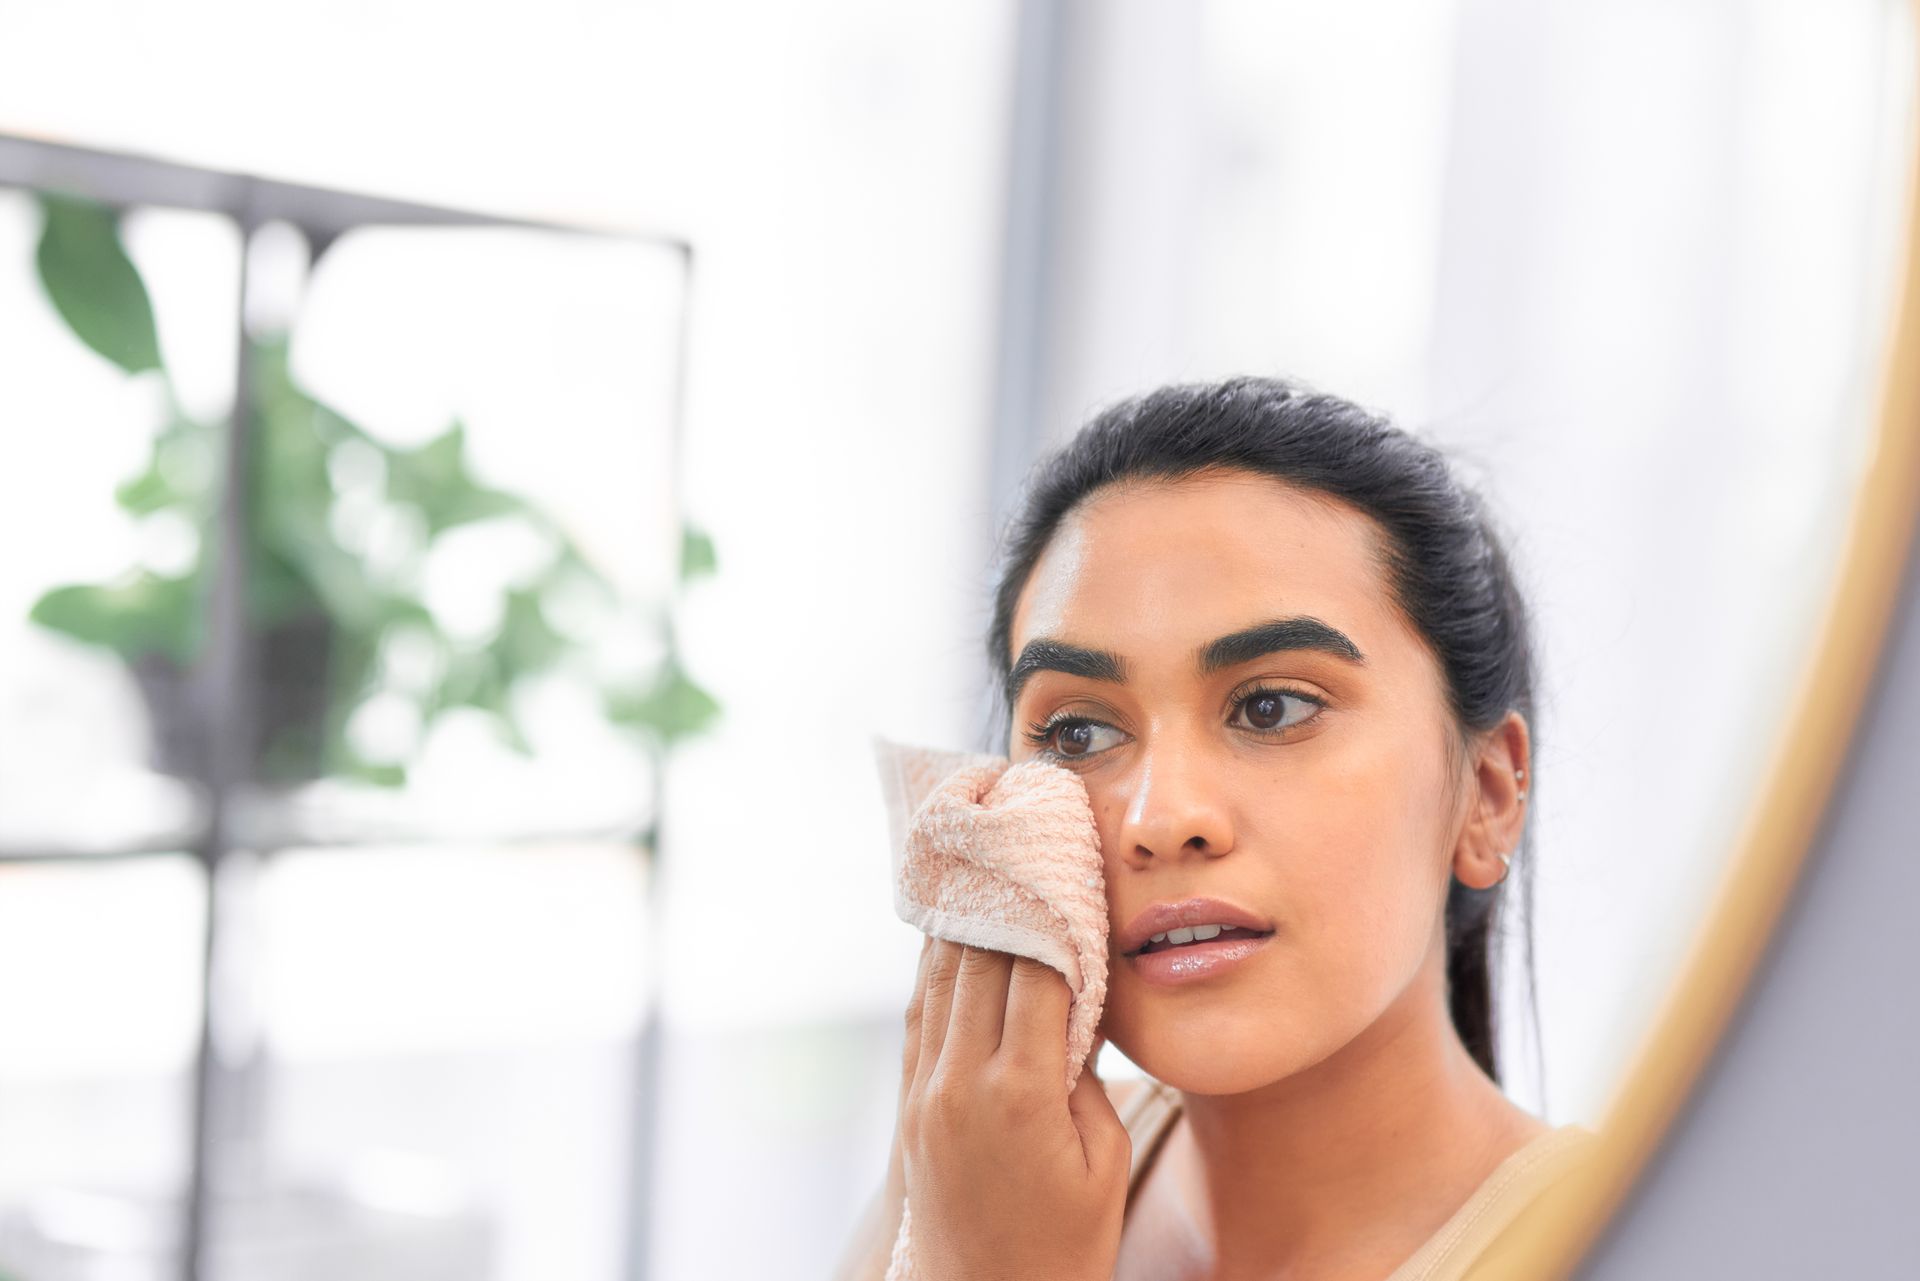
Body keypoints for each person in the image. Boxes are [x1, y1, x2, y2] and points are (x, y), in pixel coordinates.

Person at [835, 376, 1598, 1281]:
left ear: (1489, 792)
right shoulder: (974, 1192)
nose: (1162, 820)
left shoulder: (1644, 1231)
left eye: (1272, 707)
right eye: (1078, 732)